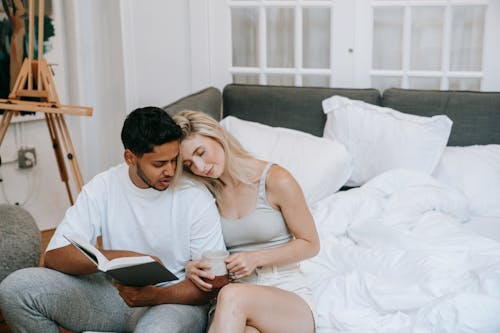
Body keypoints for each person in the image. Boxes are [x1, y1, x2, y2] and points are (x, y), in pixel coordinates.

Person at [0, 107, 225, 333]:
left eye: (174, 160)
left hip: (173, 301)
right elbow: (54, 257)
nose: (170, 170)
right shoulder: (103, 186)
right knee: (15, 290)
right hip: (115, 295)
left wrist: (156, 295)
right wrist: (120, 258)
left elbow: (213, 286)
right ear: (130, 157)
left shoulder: (195, 196)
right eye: (159, 164)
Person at [173, 110, 320, 333]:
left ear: (217, 135)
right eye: (189, 165)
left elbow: (311, 244)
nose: (200, 167)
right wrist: (192, 267)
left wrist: (256, 258)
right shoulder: (203, 193)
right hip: (231, 304)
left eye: (201, 153)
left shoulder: (276, 179)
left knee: (233, 296)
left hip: (285, 292)